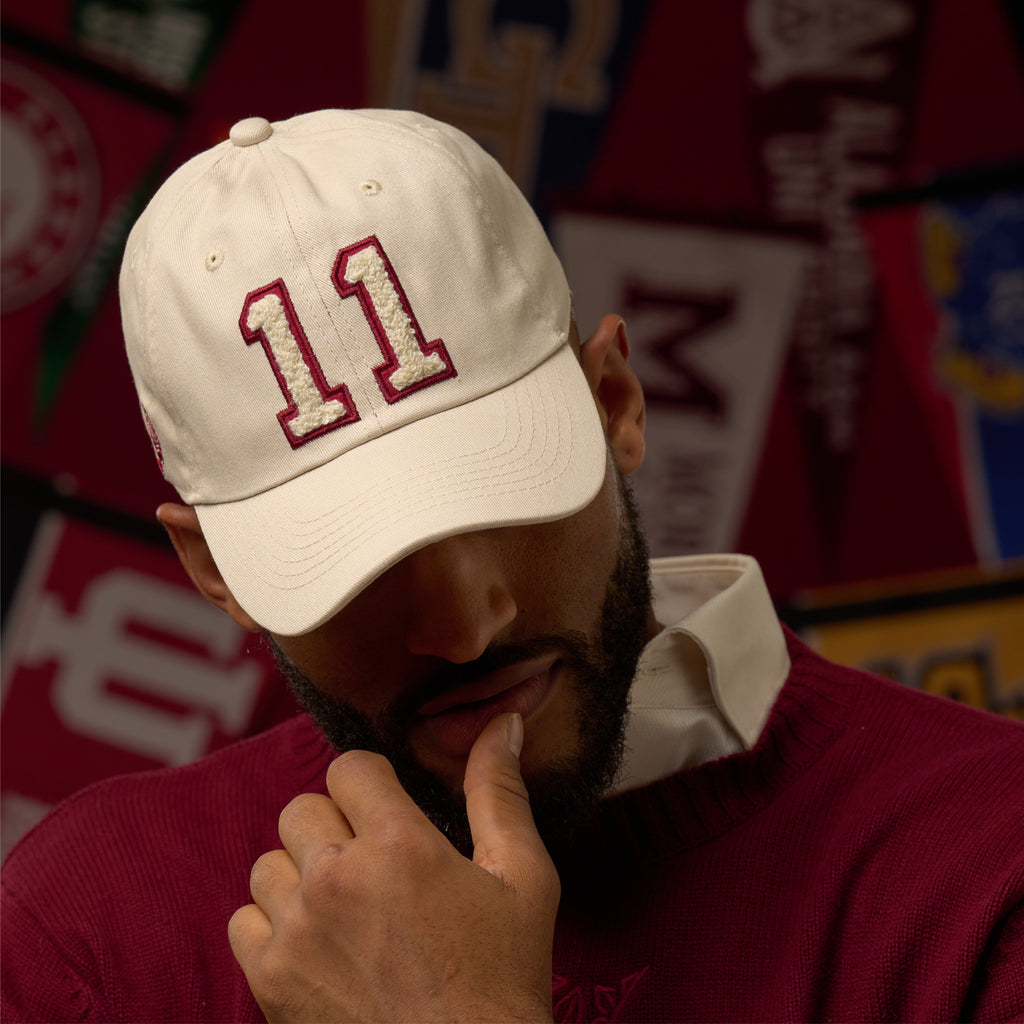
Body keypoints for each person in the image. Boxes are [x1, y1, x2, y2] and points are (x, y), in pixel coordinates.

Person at [2, 109, 1022, 1024]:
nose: (462, 627)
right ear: (213, 566)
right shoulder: (96, 930)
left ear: (614, 403)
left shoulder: (987, 871)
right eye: (347, 557)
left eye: (494, 496)